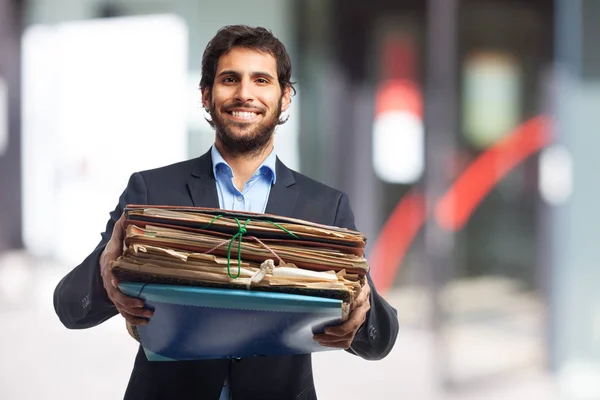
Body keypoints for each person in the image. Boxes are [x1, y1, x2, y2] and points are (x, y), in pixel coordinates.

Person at [53, 25, 399, 400]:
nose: (244, 94)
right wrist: (109, 266)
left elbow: (380, 341)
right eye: (229, 79)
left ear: (285, 98)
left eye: (261, 80)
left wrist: (360, 305)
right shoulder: (153, 192)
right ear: (205, 95)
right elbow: (71, 309)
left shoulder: (324, 206)